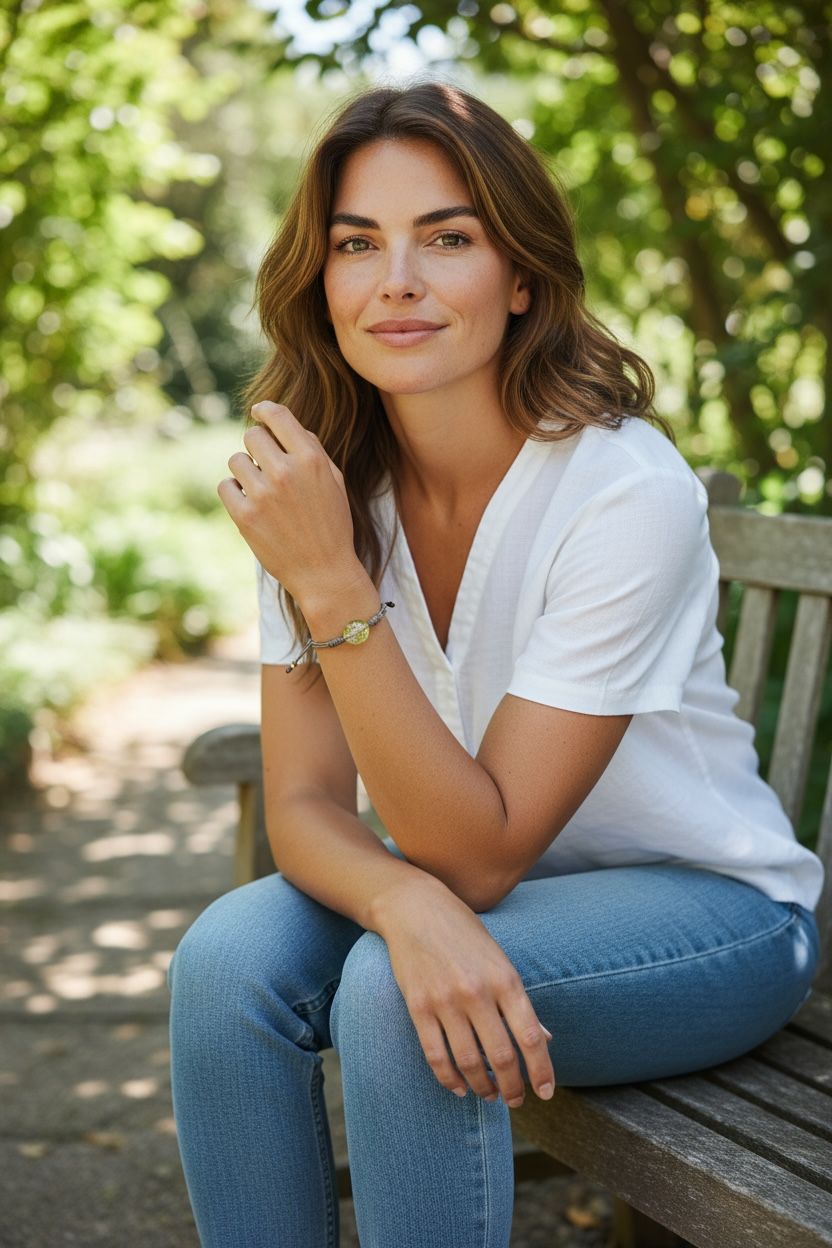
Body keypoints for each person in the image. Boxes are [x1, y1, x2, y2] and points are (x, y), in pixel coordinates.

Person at [166, 80, 823, 1248]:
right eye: (356, 244)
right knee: (225, 964)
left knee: (389, 996)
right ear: (322, 281)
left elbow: (475, 854)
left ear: (520, 277)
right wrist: (402, 900)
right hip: (484, 891)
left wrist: (331, 586)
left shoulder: (620, 489)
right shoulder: (323, 487)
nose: (396, 281)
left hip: (709, 918)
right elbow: (306, 805)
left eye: (448, 238)